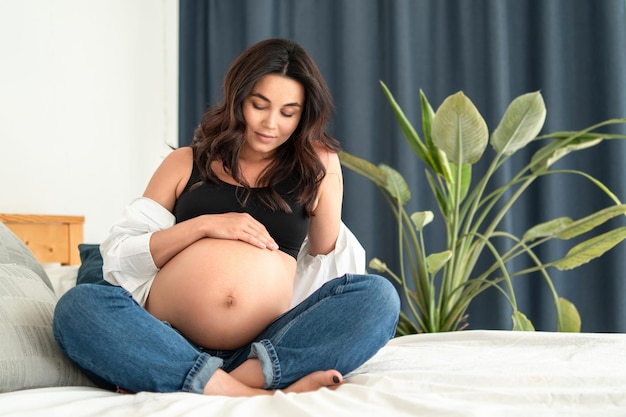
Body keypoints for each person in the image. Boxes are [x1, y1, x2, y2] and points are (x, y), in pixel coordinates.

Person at [53, 38, 400, 397]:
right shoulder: (185, 163)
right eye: (259, 105)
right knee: (78, 307)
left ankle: (218, 380)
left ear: (303, 115)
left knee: (379, 297)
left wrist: (329, 171)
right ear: (238, 98)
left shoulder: (313, 171)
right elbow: (122, 257)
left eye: (288, 112)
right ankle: (243, 390)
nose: (271, 123)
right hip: (165, 337)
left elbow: (328, 264)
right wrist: (206, 226)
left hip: (260, 349)